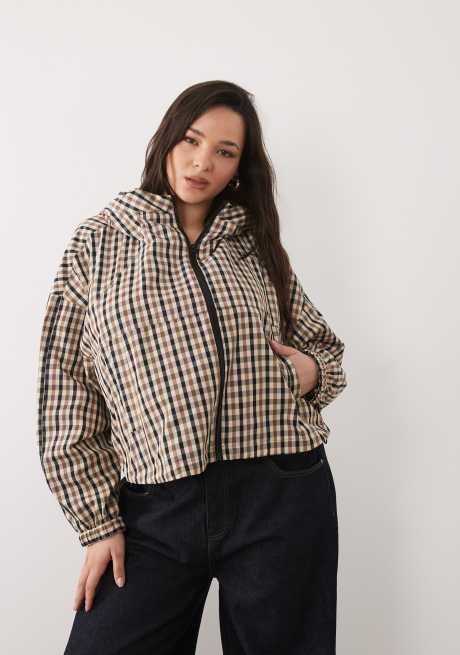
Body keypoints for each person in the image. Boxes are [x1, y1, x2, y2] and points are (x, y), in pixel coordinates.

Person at [36, 79, 348, 654]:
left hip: (280, 491)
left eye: (225, 152)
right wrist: (98, 524)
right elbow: (67, 388)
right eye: (192, 140)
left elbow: (324, 349)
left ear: (239, 168)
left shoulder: (255, 246)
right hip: (156, 506)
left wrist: (311, 374)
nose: (203, 162)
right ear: (167, 140)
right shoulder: (98, 245)